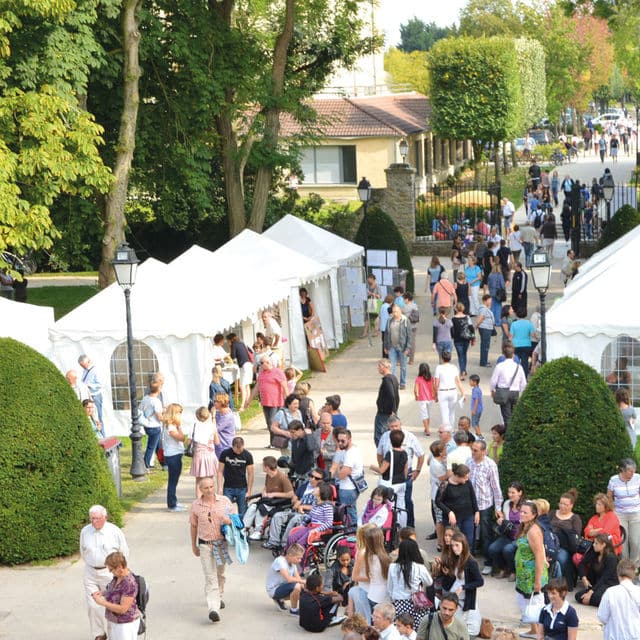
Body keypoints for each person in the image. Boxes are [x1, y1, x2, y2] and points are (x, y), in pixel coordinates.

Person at [80, 505, 129, 640]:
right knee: (93, 606)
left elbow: (124, 553)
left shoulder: (114, 531)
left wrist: (121, 573)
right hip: (90, 571)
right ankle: (99, 634)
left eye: (97, 518)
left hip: (110, 573)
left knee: (112, 604)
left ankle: (114, 634)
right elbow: (83, 551)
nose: (94, 521)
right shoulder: (85, 531)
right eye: (92, 519)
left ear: (105, 518)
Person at [189, 477, 234, 622]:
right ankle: (213, 608)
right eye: (206, 488)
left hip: (221, 543)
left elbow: (235, 519)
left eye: (211, 487)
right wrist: (193, 545)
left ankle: (219, 596)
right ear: (200, 489)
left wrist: (229, 521)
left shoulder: (225, 501)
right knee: (210, 576)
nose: (209, 490)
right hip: (205, 545)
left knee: (221, 573)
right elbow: (193, 526)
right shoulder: (196, 505)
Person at [377, 415, 425, 528]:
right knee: (388, 503)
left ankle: (409, 525)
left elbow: (421, 455)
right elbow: (379, 453)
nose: (394, 428)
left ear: (401, 425)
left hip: (404, 474)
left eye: (396, 426)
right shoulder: (385, 437)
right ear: (388, 427)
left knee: (405, 500)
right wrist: (383, 467)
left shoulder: (410, 437)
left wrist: (417, 470)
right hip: (389, 474)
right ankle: (391, 525)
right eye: (392, 427)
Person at [468, 439, 503, 576]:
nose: (473, 452)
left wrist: (498, 507)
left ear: (483, 452)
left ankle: (488, 563)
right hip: (470, 505)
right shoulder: (469, 462)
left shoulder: (490, 465)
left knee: (485, 534)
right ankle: (469, 561)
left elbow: (496, 487)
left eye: (476, 450)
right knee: (469, 532)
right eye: (472, 449)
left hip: (484, 505)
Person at [514, 501, 548, 639]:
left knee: (536, 605)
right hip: (523, 574)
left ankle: (540, 633)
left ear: (534, 515)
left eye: (525, 512)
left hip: (532, 575)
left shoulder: (533, 531)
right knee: (524, 602)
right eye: (521, 511)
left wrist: (537, 581)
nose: (521, 514)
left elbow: (539, 554)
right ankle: (533, 630)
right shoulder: (524, 527)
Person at [439, 532, 483, 637]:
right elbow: (454, 577)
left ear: (464, 545)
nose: (454, 548)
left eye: (457, 545)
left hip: (464, 599)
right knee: (451, 625)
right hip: (453, 596)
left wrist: (463, 587)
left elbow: (480, 581)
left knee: (458, 627)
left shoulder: (471, 562)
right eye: (453, 545)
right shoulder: (455, 558)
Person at [90, 551, 140, 640]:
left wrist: (103, 603)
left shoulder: (129, 583)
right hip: (114, 622)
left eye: (111, 570)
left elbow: (123, 609)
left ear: (120, 567)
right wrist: (103, 592)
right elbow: (116, 590)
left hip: (125, 625)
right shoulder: (118, 576)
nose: (110, 572)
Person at [243, 455, 294, 540]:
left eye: (263, 465)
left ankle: (258, 531)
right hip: (268, 500)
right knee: (252, 507)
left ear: (267, 467)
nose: (262, 467)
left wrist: (274, 494)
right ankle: (244, 528)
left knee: (261, 508)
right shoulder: (268, 475)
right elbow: (266, 486)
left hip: (279, 501)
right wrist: (264, 491)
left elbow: (290, 494)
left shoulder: (282, 478)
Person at [347, 525, 391, 623]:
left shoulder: (372, 553)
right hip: (367, 590)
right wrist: (372, 578)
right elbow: (355, 576)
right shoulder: (364, 553)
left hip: (372, 591)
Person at [243, 355, 288, 448]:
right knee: (269, 423)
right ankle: (273, 443)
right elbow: (256, 387)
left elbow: (285, 386)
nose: (261, 365)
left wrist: (288, 400)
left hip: (275, 402)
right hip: (265, 402)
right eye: (261, 363)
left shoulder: (278, 372)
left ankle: (277, 443)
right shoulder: (262, 373)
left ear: (268, 362)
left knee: (273, 422)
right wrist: (249, 400)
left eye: (262, 363)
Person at [387, 539, 433, 627]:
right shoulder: (419, 567)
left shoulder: (392, 567)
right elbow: (429, 582)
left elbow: (389, 588)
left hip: (398, 603)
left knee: (400, 630)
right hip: (416, 604)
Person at [371, 429, 408, 527]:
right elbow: (406, 469)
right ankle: (402, 527)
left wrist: (372, 467)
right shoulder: (404, 453)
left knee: (387, 506)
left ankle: (388, 526)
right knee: (401, 506)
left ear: (391, 440)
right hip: (401, 483)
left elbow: (382, 470)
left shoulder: (390, 454)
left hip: (390, 483)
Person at [488, 481, 525, 580]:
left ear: (520, 492)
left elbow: (530, 521)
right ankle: (503, 569)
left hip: (521, 536)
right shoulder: (507, 503)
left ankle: (513, 571)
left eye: (513, 492)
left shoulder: (527, 505)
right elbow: (504, 519)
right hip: (508, 534)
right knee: (492, 549)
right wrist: (501, 520)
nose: (510, 495)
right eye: (509, 492)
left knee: (507, 550)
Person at [436, 463, 479, 545]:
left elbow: (473, 496)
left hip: (468, 516)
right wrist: (449, 512)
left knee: (468, 540)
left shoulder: (467, 482)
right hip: (454, 519)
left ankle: (467, 557)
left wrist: (476, 511)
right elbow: (438, 501)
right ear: (458, 476)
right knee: (454, 541)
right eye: (465, 477)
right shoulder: (445, 485)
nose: (467, 479)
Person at [597, 558, 640, 640]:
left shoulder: (610, 592)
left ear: (618, 573)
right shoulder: (638, 592)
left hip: (614, 636)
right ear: (633, 574)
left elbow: (602, 617)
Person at [607, 458, 640, 564]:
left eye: (634, 470)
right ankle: (624, 565)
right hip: (620, 515)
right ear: (622, 470)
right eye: (630, 471)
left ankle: (634, 566)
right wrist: (613, 511)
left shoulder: (637, 478)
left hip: (635, 514)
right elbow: (609, 496)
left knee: (635, 542)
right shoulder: (613, 480)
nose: (632, 473)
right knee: (622, 542)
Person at [550, 489, 583, 588]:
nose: (562, 506)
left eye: (565, 504)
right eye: (561, 503)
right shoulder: (552, 513)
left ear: (571, 505)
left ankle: (558, 583)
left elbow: (576, 537)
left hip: (565, 547)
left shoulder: (575, 518)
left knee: (560, 558)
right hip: (549, 544)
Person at [331, 428, 365, 524]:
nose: (340, 443)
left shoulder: (350, 454)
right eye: (338, 441)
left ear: (349, 440)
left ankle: (353, 535)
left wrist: (339, 469)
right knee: (349, 513)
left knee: (349, 515)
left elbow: (342, 475)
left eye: (343, 441)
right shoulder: (351, 450)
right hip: (350, 488)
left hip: (348, 489)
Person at [287, 481, 335, 549]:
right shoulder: (315, 503)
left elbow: (329, 523)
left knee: (300, 543)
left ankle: (300, 558)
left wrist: (317, 530)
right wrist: (302, 525)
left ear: (321, 491)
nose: (314, 489)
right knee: (291, 537)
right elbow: (310, 516)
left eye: (316, 488)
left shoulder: (327, 506)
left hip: (321, 530)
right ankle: (289, 555)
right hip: (311, 527)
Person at [575, 534, 618, 607]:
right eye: (594, 543)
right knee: (578, 596)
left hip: (609, 585)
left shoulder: (611, 558)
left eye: (596, 543)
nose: (593, 545)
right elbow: (581, 564)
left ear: (603, 544)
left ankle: (608, 602)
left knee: (596, 597)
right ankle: (603, 602)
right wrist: (584, 578)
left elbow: (605, 577)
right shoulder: (594, 554)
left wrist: (591, 591)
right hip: (597, 585)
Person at [490, 343, 526, 427]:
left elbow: (493, 381)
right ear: (513, 354)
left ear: (503, 354)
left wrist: (493, 390)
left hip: (503, 392)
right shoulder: (518, 367)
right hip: (515, 392)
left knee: (506, 416)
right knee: (514, 414)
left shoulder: (500, 366)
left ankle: (508, 433)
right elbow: (523, 383)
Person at [217, 436, 254, 518]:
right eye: (237, 449)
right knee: (226, 511)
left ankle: (242, 529)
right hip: (228, 487)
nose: (239, 451)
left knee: (243, 513)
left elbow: (250, 473)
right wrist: (219, 488)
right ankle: (228, 529)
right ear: (232, 446)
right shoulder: (225, 454)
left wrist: (249, 491)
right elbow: (220, 471)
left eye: (240, 449)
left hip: (242, 488)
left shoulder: (247, 455)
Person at [266, 543, 307, 614]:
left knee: (304, 589)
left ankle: (280, 599)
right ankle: (293, 610)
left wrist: (307, 589)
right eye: (298, 558)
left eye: (301, 558)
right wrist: (302, 581)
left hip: (284, 587)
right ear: (290, 555)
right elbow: (289, 579)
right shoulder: (280, 561)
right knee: (297, 586)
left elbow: (298, 578)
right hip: (274, 590)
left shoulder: (293, 564)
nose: (300, 560)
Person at [580, 493, 622, 559]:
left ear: (606, 506)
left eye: (599, 504)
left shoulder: (612, 517)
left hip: (610, 546)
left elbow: (605, 533)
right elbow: (587, 531)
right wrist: (596, 531)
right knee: (577, 557)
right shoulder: (594, 518)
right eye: (596, 504)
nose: (596, 506)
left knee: (584, 558)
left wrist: (593, 531)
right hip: (595, 545)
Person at [162, 403, 186, 512]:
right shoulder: (171, 427)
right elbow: (181, 438)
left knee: (174, 480)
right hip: (173, 456)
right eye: (179, 413)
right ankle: (171, 504)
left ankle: (174, 501)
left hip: (175, 455)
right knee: (172, 481)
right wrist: (180, 427)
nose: (181, 415)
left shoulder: (172, 426)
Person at [189, 406, 219, 496]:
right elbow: (217, 442)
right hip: (210, 455)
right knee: (210, 478)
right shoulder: (212, 426)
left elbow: (189, 441)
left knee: (198, 480)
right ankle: (210, 496)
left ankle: (198, 499)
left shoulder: (194, 426)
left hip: (199, 455)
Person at [138, 374, 164, 470]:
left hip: (147, 425)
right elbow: (159, 416)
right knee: (151, 448)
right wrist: (167, 418)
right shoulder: (156, 401)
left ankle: (163, 463)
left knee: (157, 446)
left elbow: (140, 409)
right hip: (155, 426)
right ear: (158, 389)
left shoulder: (145, 398)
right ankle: (146, 465)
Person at [384, 303, 412, 390]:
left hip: (402, 347)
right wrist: (385, 346)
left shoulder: (405, 320)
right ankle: (391, 384)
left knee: (403, 366)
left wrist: (408, 348)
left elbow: (409, 336)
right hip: (392, 346)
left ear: (400, 311)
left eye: (396, 311)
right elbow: (386, 334)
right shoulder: (389, 320)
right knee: (391, 366)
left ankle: (402, 383)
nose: (394, 313)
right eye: (393, 312)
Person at [434, 350, 465, 427]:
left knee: (444, 412)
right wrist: (463, 393)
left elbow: (436, 383)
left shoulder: (439, 368)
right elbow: (458, 381)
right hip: (452, 391)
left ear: (442, 358)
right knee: (452, 412)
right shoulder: (454, 368)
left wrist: (435, 395)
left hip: (442, 392)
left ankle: (446, 429)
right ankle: (451, 430)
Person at [374, 358, 399, 445]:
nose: (378, 368)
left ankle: (382, 453)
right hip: (390, 412)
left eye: (380, 366)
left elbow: (392, 395)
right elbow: (397, 397)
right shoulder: (393, 378)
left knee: (380, 435)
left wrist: (393, 410)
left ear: (385, 367)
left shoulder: (387, 380)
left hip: (385, 413)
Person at [428, 440, 448, 547]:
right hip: (438, 495)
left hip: (436, 493)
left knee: (439, 518)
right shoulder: (436, 465)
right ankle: (440, 542)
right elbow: (442, 478)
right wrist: (450, 472)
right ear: (440, 452)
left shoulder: (436, 460)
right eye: (445, 449)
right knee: (440, 519)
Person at [226, 332, 253, 408]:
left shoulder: (234, 345)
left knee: (242, 386)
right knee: (247, 385)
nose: (227, 342)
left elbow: (233, 356)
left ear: (230, 340)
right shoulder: (241, 343)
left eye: (228, 341)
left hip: (244, 366)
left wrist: (230, 347)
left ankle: (243, 405)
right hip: (248, 364)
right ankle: (248, 403)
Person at [509, 308, 535, 378]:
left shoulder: (514, 324)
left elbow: (511, 336)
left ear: (517, 315)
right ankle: (524, 378)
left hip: (516, 345)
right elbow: (533, 335)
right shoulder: (529, 323)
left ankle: (514, 377)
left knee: (515, 362)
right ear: (525, 315)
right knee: (525, 362)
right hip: (526, 344)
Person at [78, 354, 104, 424]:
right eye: (81, 366)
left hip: (95, 396)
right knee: (89, 417)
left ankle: (101, 434)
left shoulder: (95, 370)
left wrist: (89, 385)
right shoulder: (85, 370)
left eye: (83, 365)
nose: (83, 367)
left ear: (88, 362)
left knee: (98, 417)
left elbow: (100, 384)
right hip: (87, 395)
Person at [451, 303, 473, 380]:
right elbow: (471, 328)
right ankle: (464, 369)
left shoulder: (453, 319)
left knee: (460, 356)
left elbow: (452, 330)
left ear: (456, 309)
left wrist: (452, 337)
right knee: (464, 354)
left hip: (457, 339)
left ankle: (462, 371)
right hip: (466, 339)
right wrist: (473, 338)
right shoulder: (467, 317)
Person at [414, 363, 436, 436]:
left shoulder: (418, 379)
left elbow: (415, 389)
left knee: (424, 415)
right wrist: (435, 396)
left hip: (422, 399)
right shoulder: (431, 378)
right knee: (428, 414)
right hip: (430, 398)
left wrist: (416, 396)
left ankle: (427, 430)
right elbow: (433, 388)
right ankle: (427, 428)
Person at [474, 294, 495, 368]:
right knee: (485, 346)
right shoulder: (483, 309)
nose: (491, 301)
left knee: (485, 345)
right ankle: (483, 362)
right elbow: (481, 318)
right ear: (485, 300)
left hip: (487, 328)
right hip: (485, 328)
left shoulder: (485, 308)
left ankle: (484, 360)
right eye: (490, 300)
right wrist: (476, 326)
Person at [402, 292, 420, 364]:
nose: (403, 300)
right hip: (414, 326)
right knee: (412, 343)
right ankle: (411, 360)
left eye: (404, 299)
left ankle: (404, 358)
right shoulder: (415, 305)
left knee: (405, 342)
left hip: (406, 326)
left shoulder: (404, 307)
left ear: (407, 299)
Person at [363, 274, 382, 338]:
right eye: (368, 280)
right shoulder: (368, 286)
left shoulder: (377, 286)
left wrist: (372, 294)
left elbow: (380, 296)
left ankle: (376, 331)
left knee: (375, 317)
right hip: (369, 303)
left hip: (375, 303)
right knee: (366, 318)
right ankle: (365, 332)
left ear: (372, 279)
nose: (368, 281)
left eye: (369, 280)